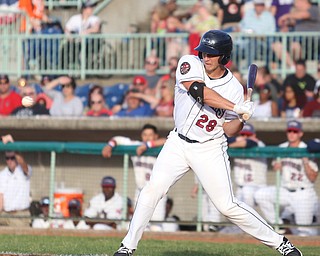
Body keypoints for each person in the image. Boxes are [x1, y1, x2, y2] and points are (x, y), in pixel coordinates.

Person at [113, 30, 302, 256]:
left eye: (212, 54)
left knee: (227, 206)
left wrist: (242, 118)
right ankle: (127, 247)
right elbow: (197, 90)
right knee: (152, 190)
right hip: (178, 142)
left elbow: (229, 130)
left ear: (224, 57)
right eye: (203, 52)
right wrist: (236, 107)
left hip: (209, 147)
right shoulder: (189, 63)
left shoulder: (234, 88)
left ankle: (282, 244)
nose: (205, 57)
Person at [255, 120, 319, 237]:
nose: (292, 133)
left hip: (303, 194)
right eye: (289, 131)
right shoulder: (282, 147)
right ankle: (279, 225)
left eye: (295, 131)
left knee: (304, 232)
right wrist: (276, 166)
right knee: (260, 194)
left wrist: (305, 161)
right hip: (284, 191)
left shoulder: (306, 149)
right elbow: (275, 166)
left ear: (300, 134)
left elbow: (313, 177)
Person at [102, 124, 167, 231]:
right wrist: (109, 145)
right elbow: (117, 139)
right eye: (145, 135)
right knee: (137, 225)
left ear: (156, 136)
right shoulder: (136, 145)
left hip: (159, 192)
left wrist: (149, 145)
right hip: (141, 192)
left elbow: (168, 140)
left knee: (157, 226)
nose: (147, 137)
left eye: (150, 135)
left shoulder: (160, 146)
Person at [228, 123, 268, 207]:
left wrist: (230, 145)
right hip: (240, 188)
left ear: (254, 135)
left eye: (248, 134)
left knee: (247, 212)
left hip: (256, 187)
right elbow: (226, 139)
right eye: (243, 134)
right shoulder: (237, 145)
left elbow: (248, 143)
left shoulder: (259, 144)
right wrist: (234, 141)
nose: (245, 136)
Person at [0, 151, 32, 227]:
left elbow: (22, 163)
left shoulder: (24, 171)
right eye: (7, 158)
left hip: (21, 214)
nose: (10, 161)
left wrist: (12, 145)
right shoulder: (2, 174)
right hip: (5, 214)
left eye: (12, 158)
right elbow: (0, 197)